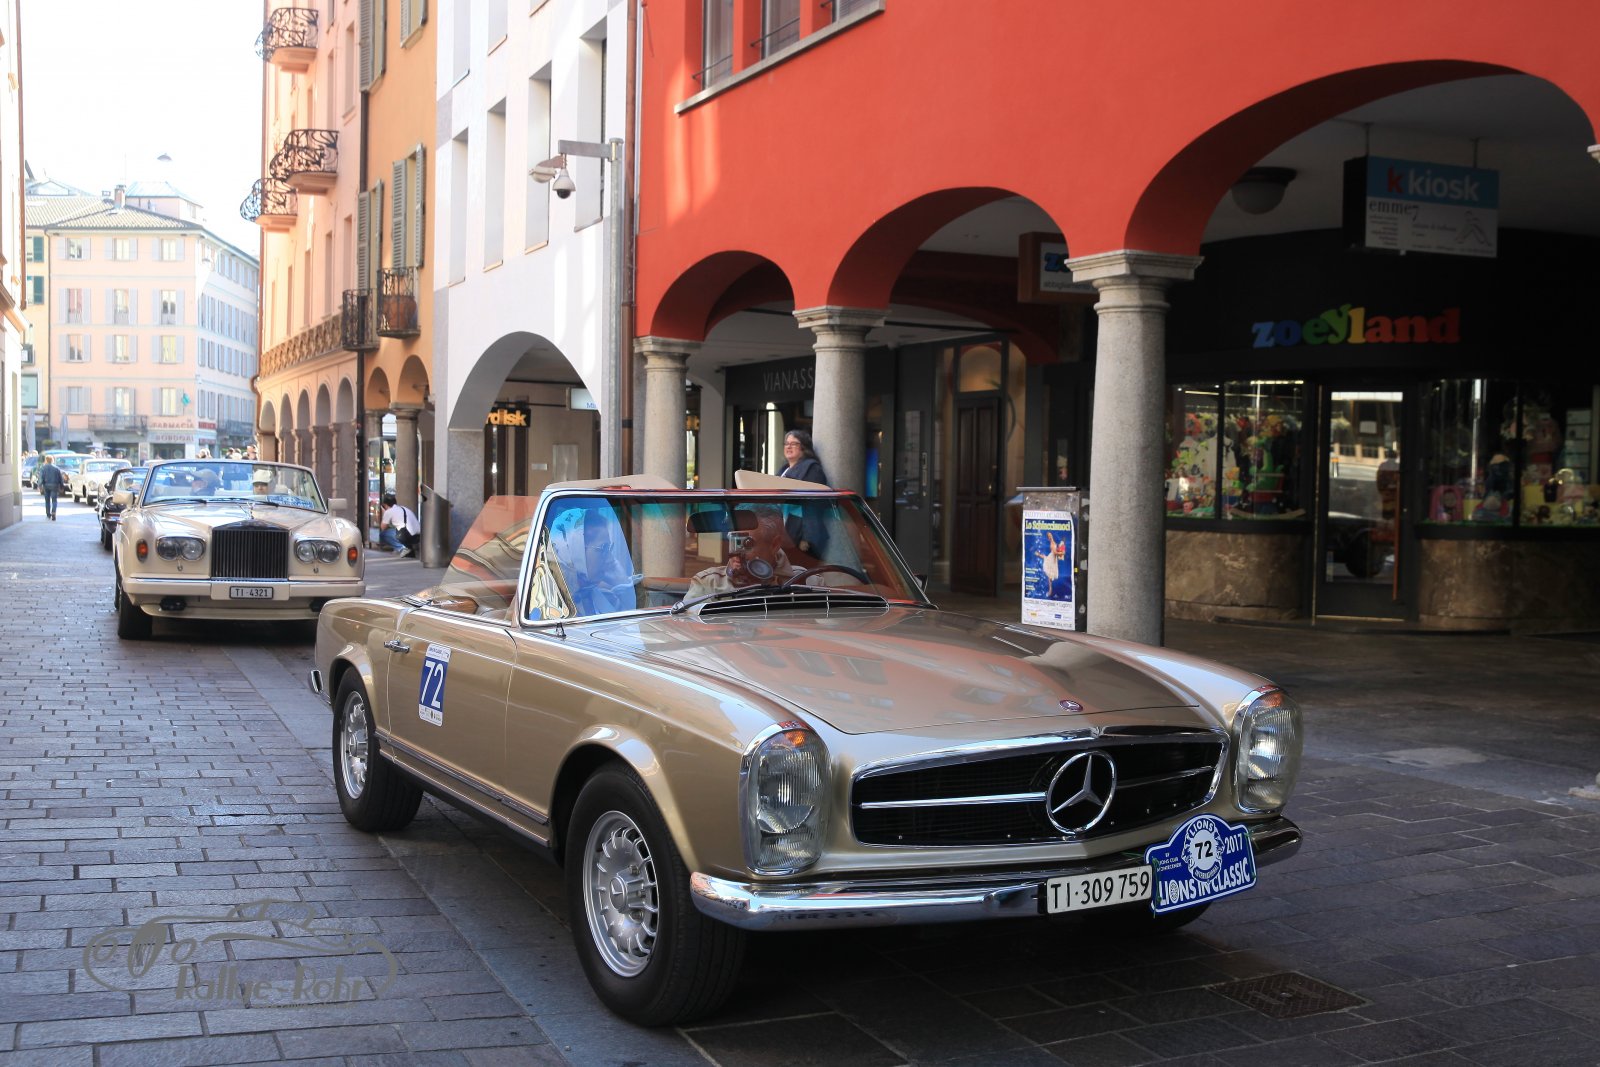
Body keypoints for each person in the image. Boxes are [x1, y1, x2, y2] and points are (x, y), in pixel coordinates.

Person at [778, 431, 829, 558]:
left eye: (794, 444)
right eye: (786, 443)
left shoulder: (812, 469)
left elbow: (813, 504)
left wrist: (806, 538)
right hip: (784, 527)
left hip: (800, 534)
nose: (789, 447)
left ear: (804, 448)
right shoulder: (784, 470)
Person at [379, 491, 421, 557]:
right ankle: (409, 550)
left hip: (407, 535)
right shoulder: (404, 508)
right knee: (399, 529)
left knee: (383, 534)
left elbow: (383, 528)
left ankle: (403, 548)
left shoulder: (388, 512)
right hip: (418, 536)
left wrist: (384, 512)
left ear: (385, 505)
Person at [35, 455, 65, 520]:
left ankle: (48, 514)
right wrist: (62, 486)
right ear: (52, 460)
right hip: (55, 485)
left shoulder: (43, 468)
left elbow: (41, 478)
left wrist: (39, 486)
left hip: (46, 486)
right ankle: (53, 512)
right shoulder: (56, 468)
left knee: (47, 500)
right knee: (54, 500)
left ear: (46, 460)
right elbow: (60, 478)